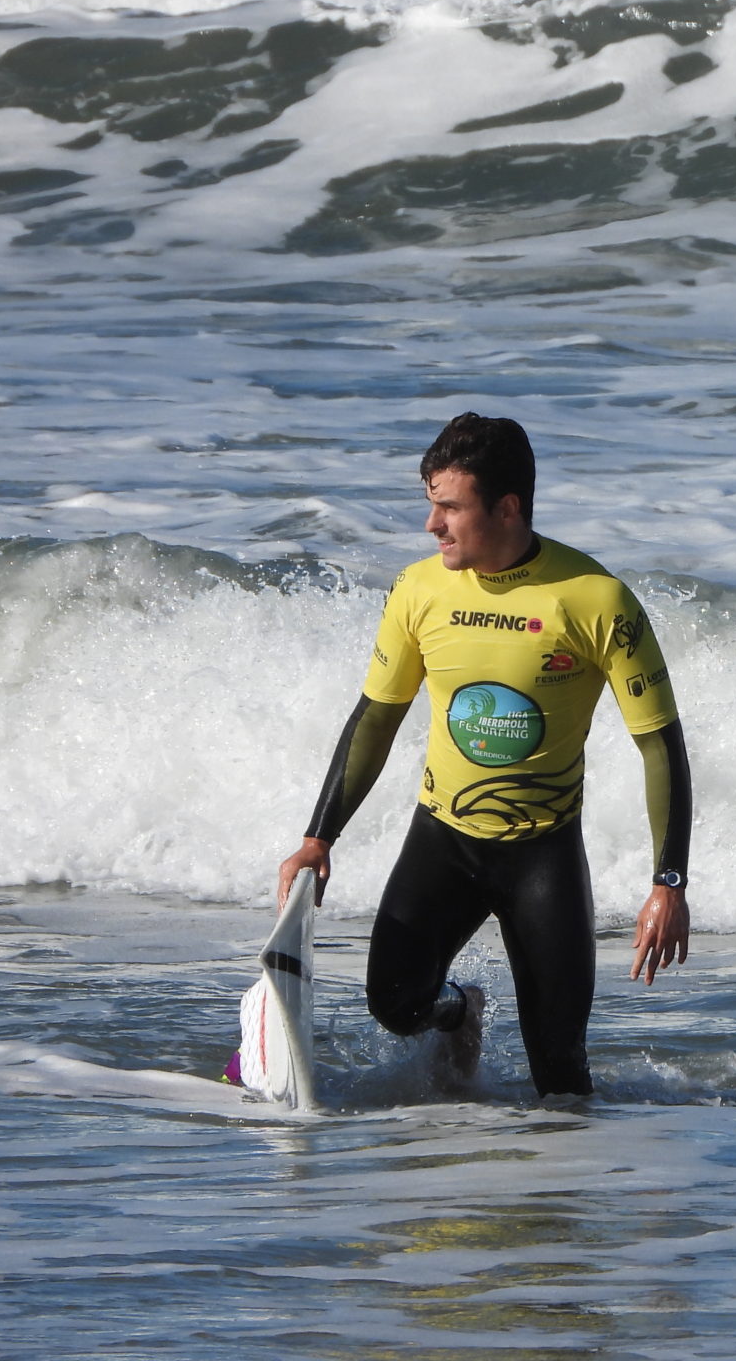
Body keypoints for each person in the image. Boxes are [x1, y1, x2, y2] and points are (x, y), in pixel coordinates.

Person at [275, 413, 693, 1096]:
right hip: (446, 838)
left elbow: (660, 745)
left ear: (506, 508)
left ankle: (559, 1198)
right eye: (430, 505)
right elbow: (377, 717)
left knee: (560, 1079)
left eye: (449, 508)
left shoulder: (595, 600)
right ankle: (459, 1012)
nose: (431, 526)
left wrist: (668, 883)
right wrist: (318, 837)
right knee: (395, 1004)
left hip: (543, 854)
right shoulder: (419, 590)